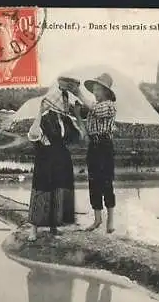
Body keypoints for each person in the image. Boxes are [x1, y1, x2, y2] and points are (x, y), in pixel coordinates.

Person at [26, 88, 83, 242]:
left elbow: (79, 137)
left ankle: (54, 226)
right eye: (63, 101)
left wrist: (77, 115)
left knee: (58, 191)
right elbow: (33, 134)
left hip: (61, 159)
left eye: (66, 101)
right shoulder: (44, 118)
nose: (65, 104)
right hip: (45, 159)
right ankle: (34, 229)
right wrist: (39, 111)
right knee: (42, 190)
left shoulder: (66, 120)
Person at [71, 73, 117, 233]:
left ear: (106, 92)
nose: (96, 92)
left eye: (98, 89)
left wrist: (78, 93)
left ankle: (110, 221)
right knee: (93, 182)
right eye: (95, 90)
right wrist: (77, 115)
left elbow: (95, 109)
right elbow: (84, 132)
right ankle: (97, 219)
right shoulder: (92, 109)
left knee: (106, 182)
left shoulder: (109, 105)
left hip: (105, 146)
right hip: (94, 147)